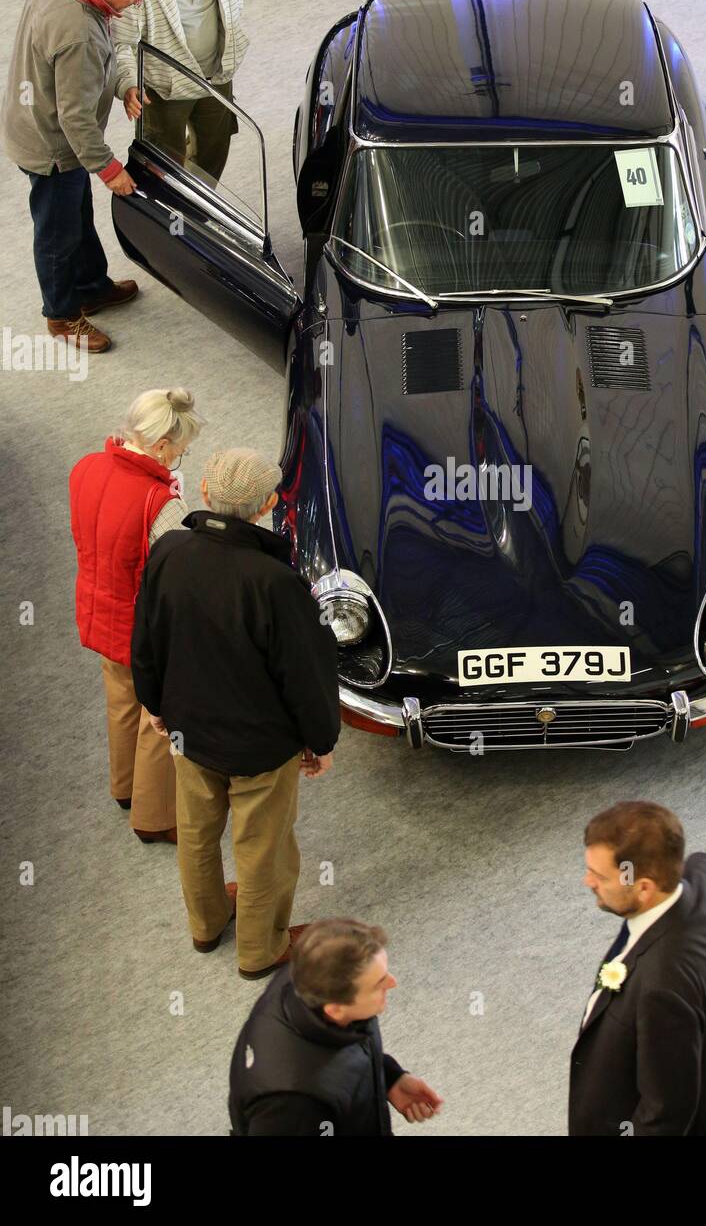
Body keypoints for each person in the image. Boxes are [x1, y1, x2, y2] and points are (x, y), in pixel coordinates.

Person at [130, 448, 341, 979]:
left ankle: (205, 925)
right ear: (268, 504)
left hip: (187, 732)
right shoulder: (275, 582)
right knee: (262, 848)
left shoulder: (169, 552)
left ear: (204, 492)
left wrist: (154, 704)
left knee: (197, 833)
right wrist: (321, 740)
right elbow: (306, 675)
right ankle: (260, 949)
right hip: (260, 748)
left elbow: (147, 638)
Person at [2, 0, 159, 355]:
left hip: (35, 115)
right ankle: (62, 314)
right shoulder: (80, 37)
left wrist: (121, 84)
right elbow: (75, 119)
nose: (134, 7)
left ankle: (91, 286)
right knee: (57, 233)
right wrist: (108, 169)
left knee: (78, 213)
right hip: (52, 146)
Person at [69, 389, 204, 843]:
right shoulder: (162, 505)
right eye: (180, 453)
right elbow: (181, 579)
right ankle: (155, 817)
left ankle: (123, 788)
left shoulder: (85, 467)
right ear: (162, 444)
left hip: (96, 609)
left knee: (121, 701)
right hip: (144, 630)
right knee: (158, 717)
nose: (178, 461)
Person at [569, 801, 706, 1136]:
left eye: (599, 875)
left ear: (644, 887)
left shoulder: (661, 990)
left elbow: (665, 1114)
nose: (587, 881)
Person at [228, 918, 443, 1136]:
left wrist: (390, 1077)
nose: (393, 982)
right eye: (380, 983)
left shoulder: (308, 980)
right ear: (336, 1009)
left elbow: (345, 1050)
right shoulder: (293, 1107)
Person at [115, 0, 248, 182]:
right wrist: (127, 82)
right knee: (163, 161)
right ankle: (167, 220)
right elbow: (122, 39)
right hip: (166, 85)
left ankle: (198, 215)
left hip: (216, 73)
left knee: (214, 150)